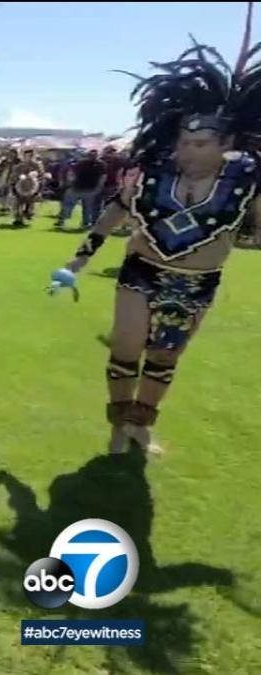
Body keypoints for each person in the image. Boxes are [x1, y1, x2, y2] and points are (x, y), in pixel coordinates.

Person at [57, 14, 260, 455]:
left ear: (226, 143)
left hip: (197, 283)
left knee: (165, 357)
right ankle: (117, 423)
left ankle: (140, 424)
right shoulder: (152, 175)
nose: (189, 151)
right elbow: (114, 212)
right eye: (185, 143)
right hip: (142, 271)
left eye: (202, 144)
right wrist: (79, 259)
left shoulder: (247, 180)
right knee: (127, 347)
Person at [56, 148, 106, 229]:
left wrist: (70, 183)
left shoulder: (81, 163)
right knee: (87, 208)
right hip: (90, 188)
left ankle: (62, 220)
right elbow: (103, 177)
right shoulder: (101, 164)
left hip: (77, 187)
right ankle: (85, 224)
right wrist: (99, 187)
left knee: (68, 205)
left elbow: (71, 174)